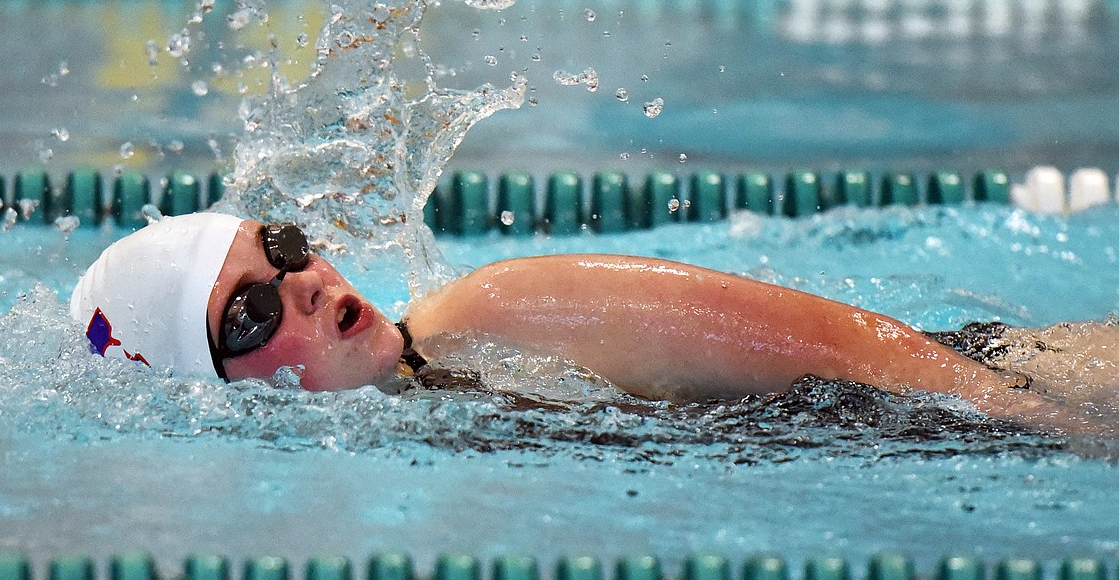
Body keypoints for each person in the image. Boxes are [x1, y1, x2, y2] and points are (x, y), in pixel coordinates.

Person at [70, 212, 1088, 432]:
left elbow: (838, 344)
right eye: (249, 308)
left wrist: (1054, 426)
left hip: (987, 384)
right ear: (215, 387)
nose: (300, 282)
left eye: (282, 246)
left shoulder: (488, 311)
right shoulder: (420, 411)